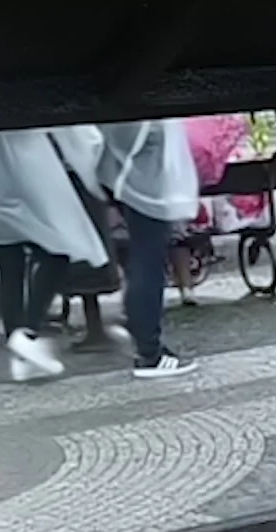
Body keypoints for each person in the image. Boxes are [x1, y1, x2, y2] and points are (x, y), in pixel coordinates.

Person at [0, 129, 94, 383]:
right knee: (56, 252)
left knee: (9, 264)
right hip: (19, 172)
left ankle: (20, 352)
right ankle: (27, 333)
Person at [85, 118, 201, 380]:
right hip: (146, 189)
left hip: (137, 187)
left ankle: (145, 340)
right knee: (148, 263)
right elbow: (127, 139)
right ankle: (149, 352)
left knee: (144, 261)